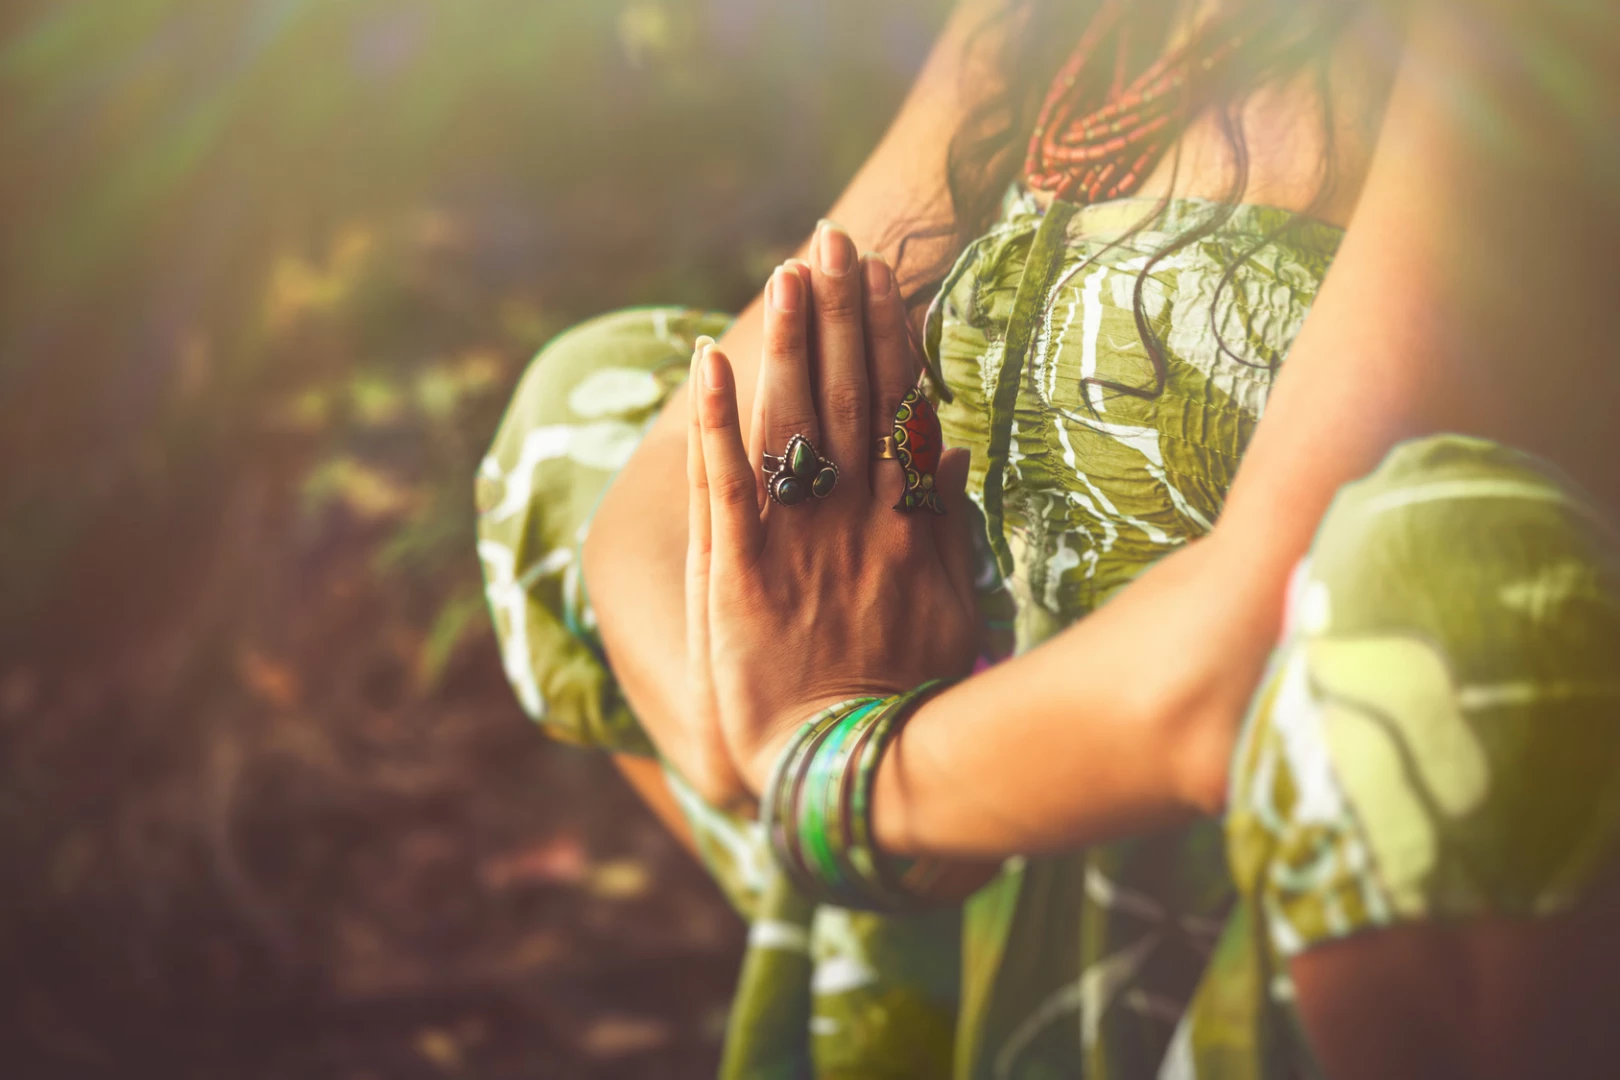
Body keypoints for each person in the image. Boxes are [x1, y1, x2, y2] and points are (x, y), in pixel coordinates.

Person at [477, 0, 1620, 1075]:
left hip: (1281, 822)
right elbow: (645, 517)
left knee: (1440, 584)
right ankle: (915, 979)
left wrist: (850, 779)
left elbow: (1253, 640)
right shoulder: (1041, 23)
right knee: (588, 405)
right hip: (959, 797)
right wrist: (779, 735)